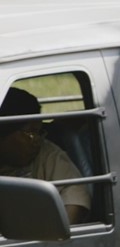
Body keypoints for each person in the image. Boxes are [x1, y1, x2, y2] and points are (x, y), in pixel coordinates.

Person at [0, 87, 91, 224]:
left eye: (39, 132)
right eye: (31, 133)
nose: (37, 140)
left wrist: (54, 241)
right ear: (4, 132)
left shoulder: (47, 154)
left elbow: (75, 196)